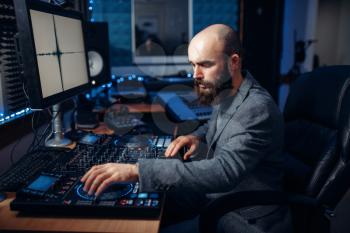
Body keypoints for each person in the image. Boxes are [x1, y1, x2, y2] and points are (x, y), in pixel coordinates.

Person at [81, 24, 292, 233]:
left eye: (205, 65)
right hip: (218, 200)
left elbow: (223, 171)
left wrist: (137, 171)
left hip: (244, 218)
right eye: (193, 65)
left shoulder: (256, 107)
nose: (195, 74)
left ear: (233, 62)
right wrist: (196, 137)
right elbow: (218, 125)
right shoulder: (229, 89)